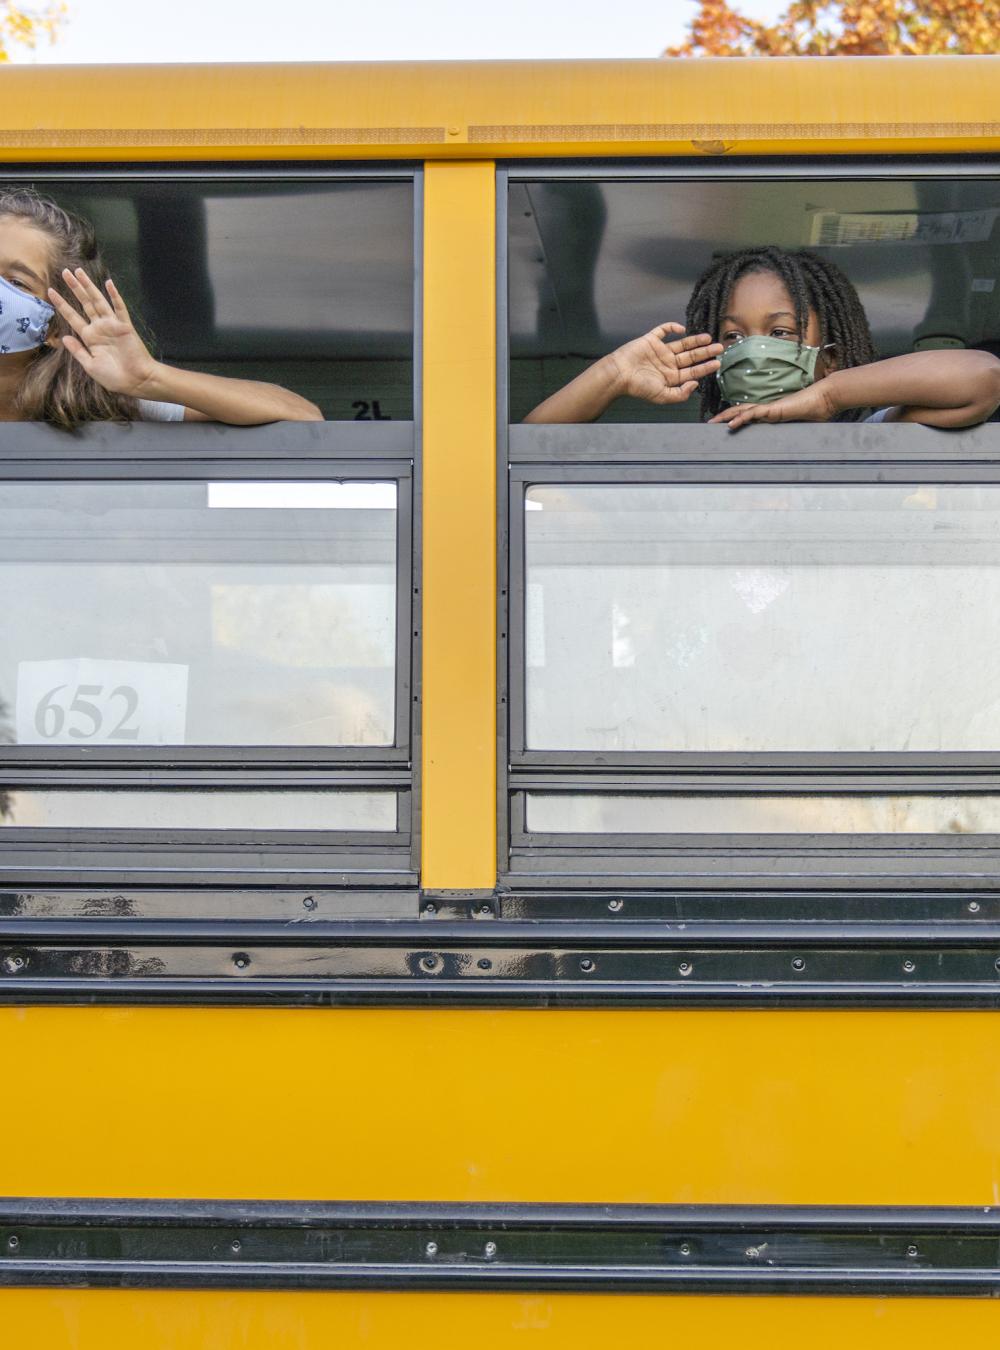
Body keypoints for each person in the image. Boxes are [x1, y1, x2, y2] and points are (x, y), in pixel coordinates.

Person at [524, 245, 1000, 430]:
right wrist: (613, 373)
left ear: (829, 359)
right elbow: (528, 450)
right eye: (732, 338)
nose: (752, 350)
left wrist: (827, 398)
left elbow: (983, 378)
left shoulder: (869, 437)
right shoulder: (697, 450)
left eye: (779, 332)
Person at [0, 187, 322, 428]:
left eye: (17, 283)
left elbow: (302, 416)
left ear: (55, 327)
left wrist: (149, 378)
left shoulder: (101, 407)